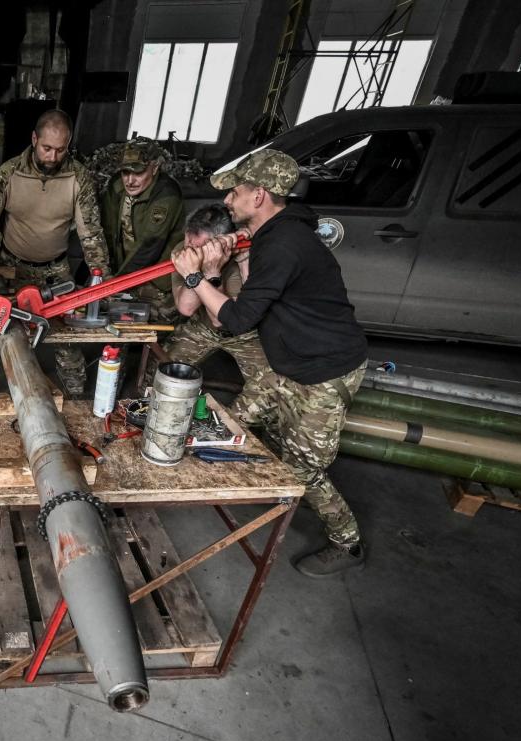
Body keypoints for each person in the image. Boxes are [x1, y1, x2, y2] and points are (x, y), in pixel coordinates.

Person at [171, 148, 369, 577]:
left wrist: (196, 277)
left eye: (235, 193)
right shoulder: (271, 236)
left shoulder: (283, 244)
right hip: (289, 364)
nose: (227, 201)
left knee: (303, 469)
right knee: (236, 421)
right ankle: (242, 487)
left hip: (323, 373)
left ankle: (347, 543)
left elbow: (239, 318)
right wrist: (229, 259)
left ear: (259, 196)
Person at [0, 109, 109, 395]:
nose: (52, 157)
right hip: (11, 266)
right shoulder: (9, 173)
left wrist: (102, 282)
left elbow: (90, 233)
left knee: (67, 336)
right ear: (34, 138)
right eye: (46, 148)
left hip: (56, 271)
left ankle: (76, 395)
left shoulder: (78, 177)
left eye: (60, 150)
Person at [163, 203, 270, 401]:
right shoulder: (184, 251)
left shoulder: (249, 255)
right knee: (163, 373)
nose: (191, 251)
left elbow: (226, 318)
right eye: (188, 242)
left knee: (268, 390)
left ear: (221, 243)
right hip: (203, 326)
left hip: (245, 332)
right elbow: (186, 307)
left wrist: (215, 271)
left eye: (199, 247)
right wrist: (198, 268)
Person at [100, 137, 185, 317]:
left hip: (157, 281)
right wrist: (100, 275)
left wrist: (115, 285)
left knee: (153, 323)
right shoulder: (116, 187)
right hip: (125, 272)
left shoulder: (166, 193)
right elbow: (106, 233)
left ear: (154, 168)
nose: (130, 180)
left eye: (138, 173)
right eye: (125, 172)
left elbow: (149, 246)